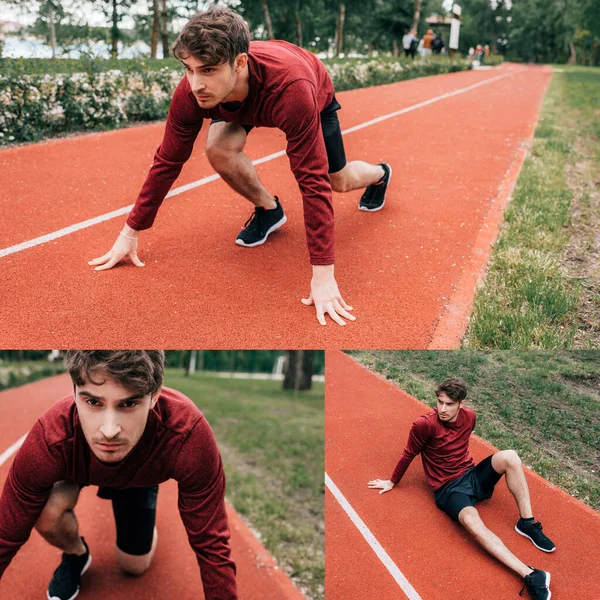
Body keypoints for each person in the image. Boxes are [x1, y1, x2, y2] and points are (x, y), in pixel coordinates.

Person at [89, 7, 392, 328]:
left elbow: (312, 181)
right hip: (235, 99)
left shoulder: (293, 92)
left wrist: (324, 274)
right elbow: (167, 161)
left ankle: (380, 174)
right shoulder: (195, 92)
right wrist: (130, 232)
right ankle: (269, 210)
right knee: (218, 149)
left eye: (207, 70)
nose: (195, 84)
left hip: (307, 87)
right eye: (188, 70)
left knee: (337, 180)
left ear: (239, 62)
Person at [0, 351, 237, 600]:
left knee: (133, 565)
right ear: (74, 393)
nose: (109, 431)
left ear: (155, 395)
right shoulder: (50, 439)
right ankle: (75, 554)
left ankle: (146, 524)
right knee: (43, 512)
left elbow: (212, 546)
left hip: (140, 477)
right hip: (78, 468)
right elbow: (6, 534)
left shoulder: (187, 435)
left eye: (128, 403)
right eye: (93, 402)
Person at [367, 378, 555, 600]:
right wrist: (392, 481)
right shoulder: (424, 425)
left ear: (461, 404)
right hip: (448, 489)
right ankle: (531, 574)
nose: (442, 409)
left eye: (449, 404)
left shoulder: (470, 417)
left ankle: (527, 523)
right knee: (472, 522)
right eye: (439, 402)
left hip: (471, 475)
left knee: (510, 456)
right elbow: (409, 453)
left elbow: (459, 442)